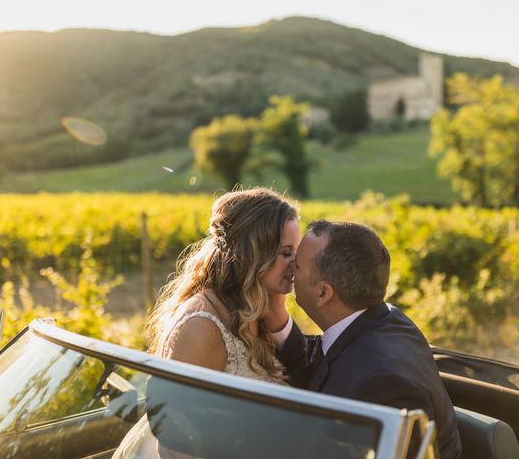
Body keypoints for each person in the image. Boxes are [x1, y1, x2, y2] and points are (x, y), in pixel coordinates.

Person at [113, 187, 300, 458]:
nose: (297, 264)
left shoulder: (259, 309)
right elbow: (174, 444)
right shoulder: (201, 326)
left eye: (297, 251)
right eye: (286, 252)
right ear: (253, 253)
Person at [265, 220, 462, 459]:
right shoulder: (386, 319)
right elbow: (324, 370)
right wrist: (277, 318)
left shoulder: (384, 386)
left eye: (297, 266)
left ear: (323, 292)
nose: (290, 272)